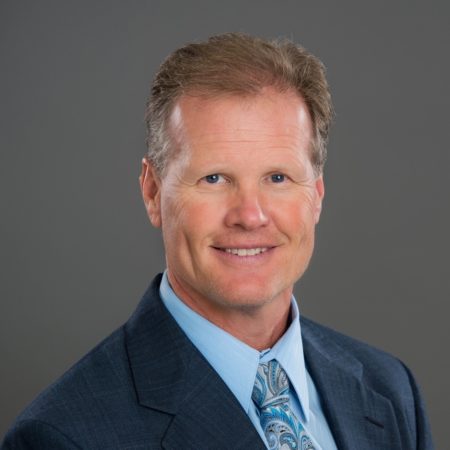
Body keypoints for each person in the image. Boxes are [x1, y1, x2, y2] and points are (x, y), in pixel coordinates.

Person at [2, 33, 433, 450]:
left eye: (278, 178)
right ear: (153, 193)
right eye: (214, 178)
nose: (250, 215)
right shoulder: (63, 436)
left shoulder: (390, 390)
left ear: (316, 195)